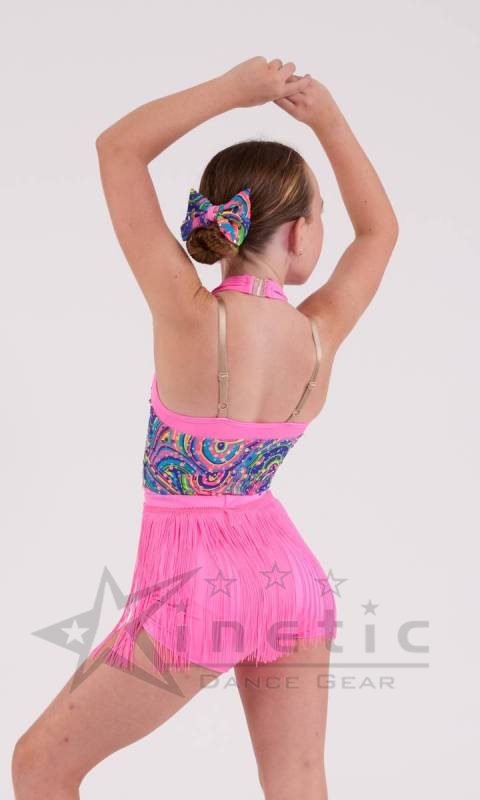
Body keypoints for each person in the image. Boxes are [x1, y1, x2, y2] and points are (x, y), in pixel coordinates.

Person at [12, 56, 398, 800]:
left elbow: (118, 149)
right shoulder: (320, 333)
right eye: (319, 215)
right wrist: (328, 120)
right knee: (297, 781)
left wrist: (234, 91)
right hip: (289, 578)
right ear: (298, 234)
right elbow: (379, 232)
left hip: (195, 587)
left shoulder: (190, 314)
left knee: (40, 766)